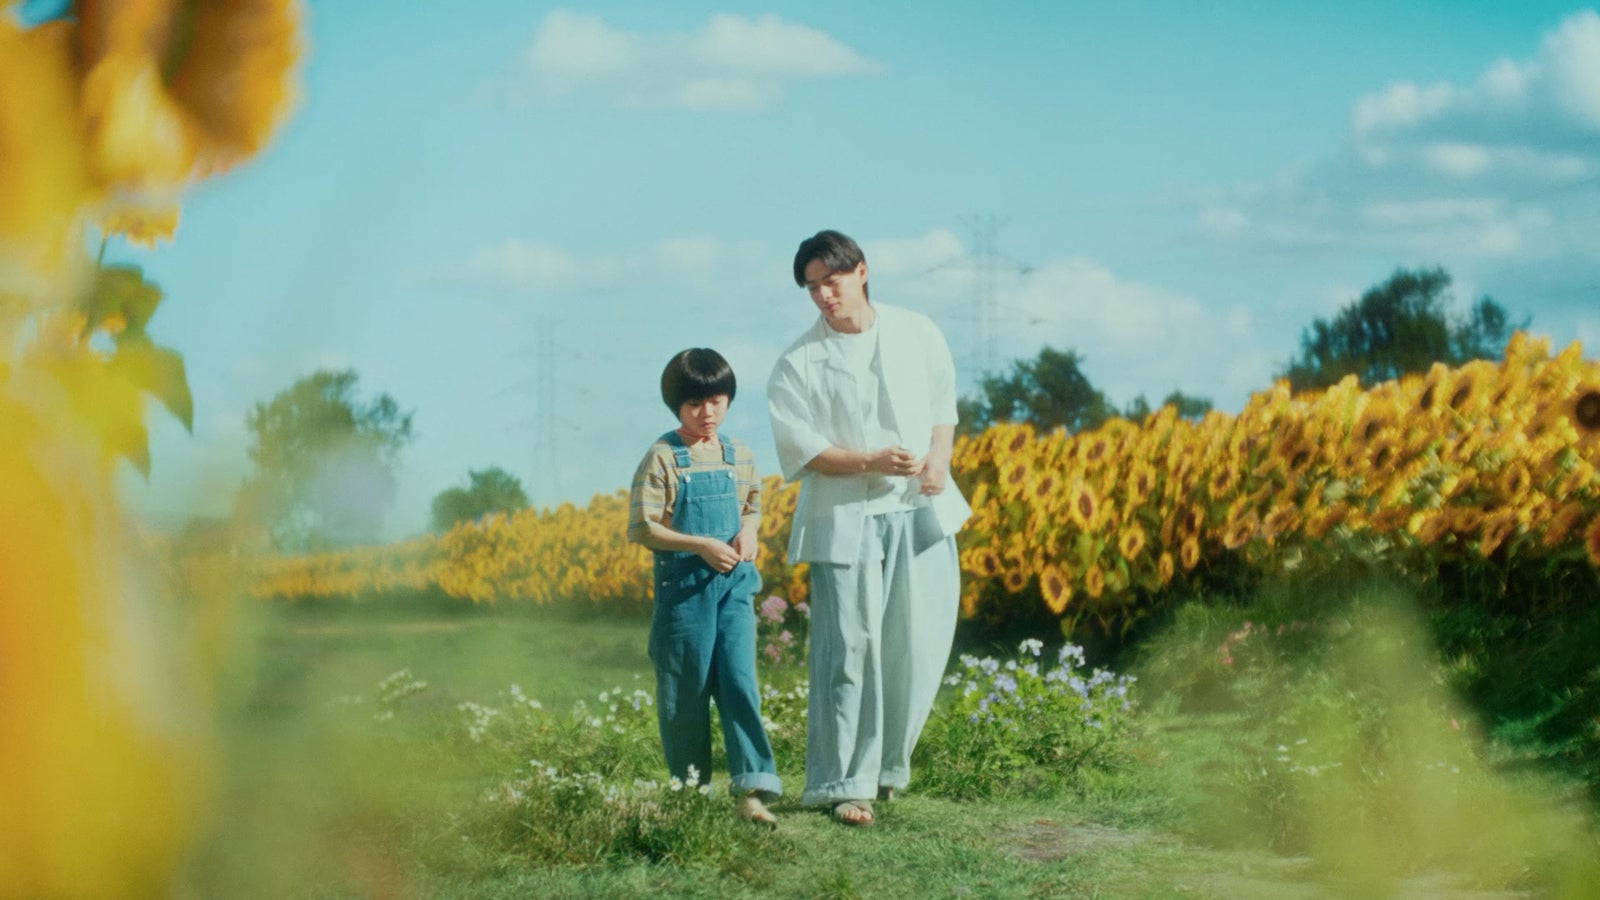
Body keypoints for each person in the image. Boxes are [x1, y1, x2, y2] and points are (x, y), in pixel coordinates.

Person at [766, 229, 969, 827]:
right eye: (812, 288)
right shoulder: (795, 364)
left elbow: (943, 405)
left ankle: (885, 770)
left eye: (832, 281)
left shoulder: (917, 330)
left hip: (920, 509)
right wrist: (871, 462)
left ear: (861, 271)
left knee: (918, 640)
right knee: (849, 648)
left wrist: (939, 461)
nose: (824, 296)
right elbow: (805, 453)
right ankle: (839, 783)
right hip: (845, 518)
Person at [627, 348, 782, 826]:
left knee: (739, 683)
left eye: (716, 400)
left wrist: (750, 531)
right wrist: (700, 545)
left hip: (734, 585)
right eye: (695, 404)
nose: (707, 413)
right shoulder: (662, 457)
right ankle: (689, 793)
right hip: (684, 590)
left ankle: (751, 791)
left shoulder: (741, 455)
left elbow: (752, 505)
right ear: (676, 406)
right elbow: (643, 527)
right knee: (685, 691)